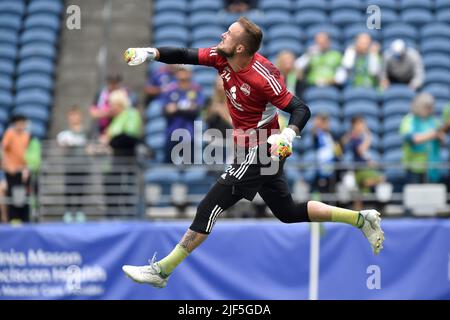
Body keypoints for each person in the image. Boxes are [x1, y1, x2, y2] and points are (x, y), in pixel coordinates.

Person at [122, 17, 384, 288]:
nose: (222, 34)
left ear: (239, 48)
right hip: (248, 147)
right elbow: (186, 54)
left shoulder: (263, 75)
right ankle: (360, 218)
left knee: (209, 206)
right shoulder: (221, 57)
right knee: (288, 211)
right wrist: (150, 53)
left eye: (229, 33)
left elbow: (301, 109)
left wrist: (288, 133)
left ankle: (162, 270)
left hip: (264, 148)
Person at [100, 89, 143, 216]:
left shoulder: (131, 114)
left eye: (112, 104)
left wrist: (110, 142)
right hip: (113, 164)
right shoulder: (116, 119)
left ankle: (127, 216)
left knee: (125, 192)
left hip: (126, 162)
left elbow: (129, 137)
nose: (110, 108)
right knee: (111, 191)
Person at [161, 66, 205, 163]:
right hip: (172, 132)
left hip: (190, 134)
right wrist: (186, 106)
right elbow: (166, 109)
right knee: (168, 165)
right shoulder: (169, 89)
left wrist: (176, 107)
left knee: (190, 166)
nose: (183, 74)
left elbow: (196, 109)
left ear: (190, 73)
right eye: (180, 71)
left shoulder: (196, 89)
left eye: (185, 71)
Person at [400, 93, 444, 183]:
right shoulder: (408, 120)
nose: (430, 109)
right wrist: (432, 134)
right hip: (413, 167)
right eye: (427, 107)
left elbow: (442, 140)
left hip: (431, 166)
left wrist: (440, 137)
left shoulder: (434, 121)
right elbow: (412, 139)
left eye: (431, 107)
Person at [342, 116, 384, 210]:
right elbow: (361, 150)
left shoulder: (358, 137)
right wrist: (368, 137)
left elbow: (364, 154)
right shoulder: (354, 137)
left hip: (364, 166)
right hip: (359, 168)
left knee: (359, 195)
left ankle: (358, 213)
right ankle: (363, 183)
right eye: (360, 124)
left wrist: (370, 161)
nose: (362, 126)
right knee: (379, 179)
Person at [57, 106, 88, 222]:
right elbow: (61, 148)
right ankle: (68, 212)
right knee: (69, 189)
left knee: (81, 189)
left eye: (76, 115)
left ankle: (80, 212)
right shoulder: (64, 133)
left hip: (82, 165)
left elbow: (89, 147)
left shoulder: (86, 132)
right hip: (69, 165)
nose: (74, 118)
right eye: (71, 115)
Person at [1, 115, 31, 222]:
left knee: (23, 195)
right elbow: (2, 149)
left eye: (23, 123)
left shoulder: (27, 136)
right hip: (12, 171)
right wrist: (7, 165)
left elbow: (28, 154)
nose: (21, 125)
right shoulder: (9, 134)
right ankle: (12, 219)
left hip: (22, 171)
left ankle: (24, 219)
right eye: (19, 122)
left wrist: (26, 168)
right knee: (12, 195)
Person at [311, 113, 341, 194]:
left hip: (332, 165)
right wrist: (317, 124)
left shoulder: (332, 134)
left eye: (326, 122)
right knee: (322, 189)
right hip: (322, 165)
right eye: (323, 122)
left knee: (331, 189)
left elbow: (338, 149)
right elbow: (314, 134)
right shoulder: (318, 134)